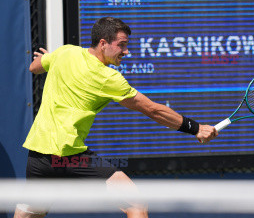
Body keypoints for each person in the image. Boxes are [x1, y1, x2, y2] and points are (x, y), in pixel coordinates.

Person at [15, 17, 218, 218]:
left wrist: (54, 59)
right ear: (103, 43)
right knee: (136, 204)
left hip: (38, 156)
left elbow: (35, 67)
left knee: (30, 212)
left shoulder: (65, 52)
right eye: (121, 45)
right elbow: (152, 110)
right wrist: (195, 128)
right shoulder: (108, 78)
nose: (126, 51)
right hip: (70, 156)